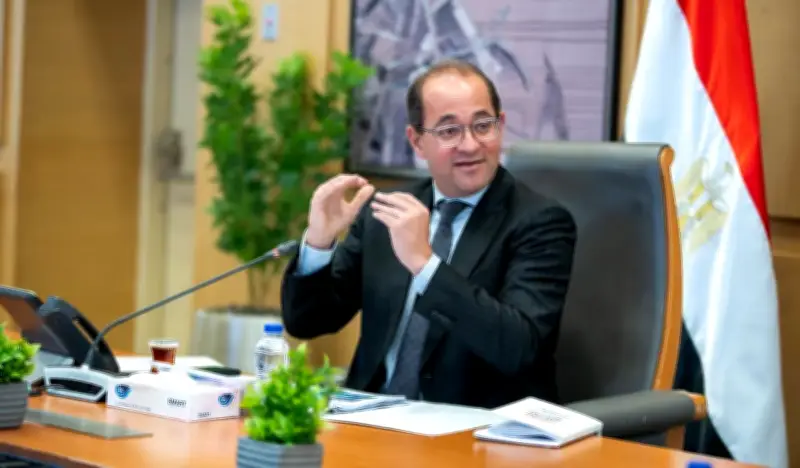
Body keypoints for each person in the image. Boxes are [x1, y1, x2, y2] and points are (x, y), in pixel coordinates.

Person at [281, 59, 577, 409]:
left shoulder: (540, 222)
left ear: (501, 125)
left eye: (483, 125)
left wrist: (425, 265)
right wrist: (319, 243)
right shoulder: (386, 212)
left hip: (476, 425)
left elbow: (519, 348)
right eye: (449, 131)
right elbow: (308, 322)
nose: (471, 145)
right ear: (417, 141)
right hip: (372, 416)